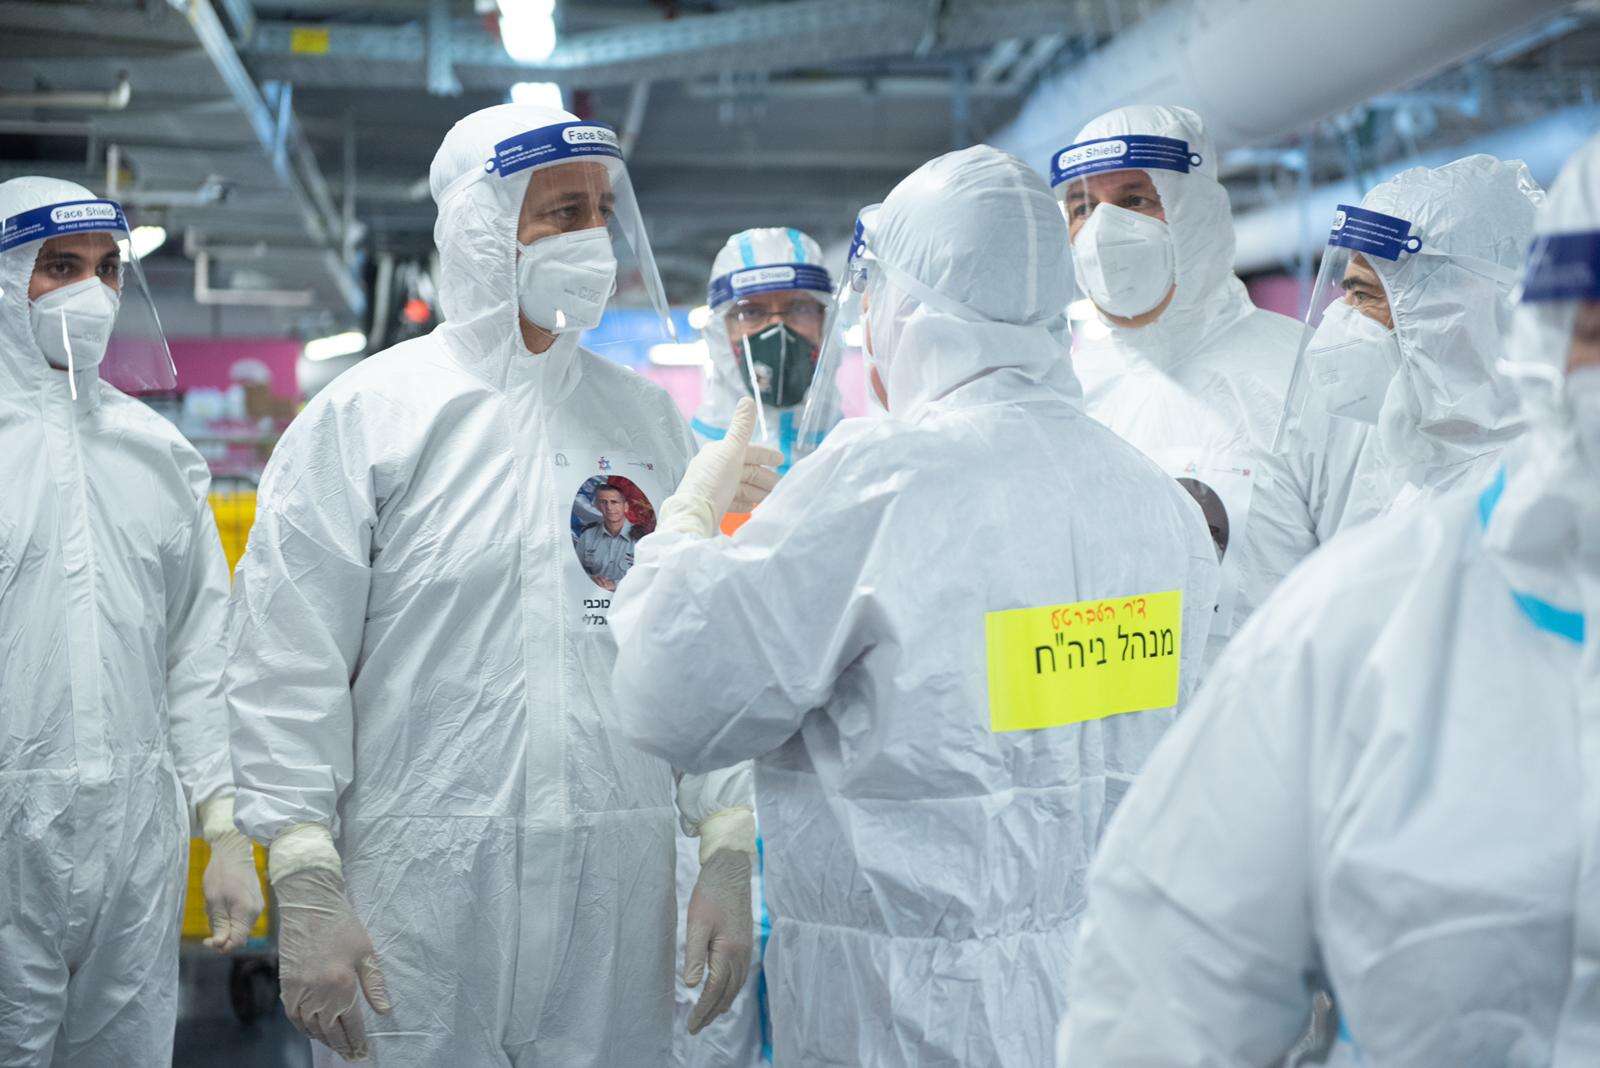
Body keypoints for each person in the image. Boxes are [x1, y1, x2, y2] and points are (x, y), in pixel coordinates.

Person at [609, 144, 1221, 1068]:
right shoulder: (1155, 502)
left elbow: (669, 691)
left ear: (910, 304)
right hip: (1106, 1005)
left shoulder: (881, 482)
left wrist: (685, 525)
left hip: (909, 1020)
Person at [224, 103, 777, 1066]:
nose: (592, 239)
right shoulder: (370, 419)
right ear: (484, 230)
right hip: (419, 904)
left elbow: (690, 649)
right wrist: (304, 866)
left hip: (614, 901)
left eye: (601, 212)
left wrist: (728, 835)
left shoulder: (645, 422)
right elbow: (287, 659)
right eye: (561, 214)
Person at [1055, 133, 1600, 1067]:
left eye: (1373, 297)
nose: (1348, 324)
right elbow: (1177, 964)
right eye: (1585, 327)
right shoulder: (1367, 610)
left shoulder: (1284, 395)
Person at [0, 177, 261, 1065]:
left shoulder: (159, 458)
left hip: (135, 848)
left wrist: (225, 826)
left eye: (107, 269)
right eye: (59, 267)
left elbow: (200, 657)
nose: (90, 292)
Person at [1053, 104, 1369, 673]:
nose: (1102, 231)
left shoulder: (1308, 375)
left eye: (1133, 200)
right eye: (1082, 208)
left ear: (1193, 210)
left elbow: (1375, 584)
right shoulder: (1066, 393)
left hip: (1268, 721)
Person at [1285, 155, 1543, 530]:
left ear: (1451, 310)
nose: (1340, 318)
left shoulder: (1540, 489)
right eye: (1345, 294)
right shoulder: (1419, 468)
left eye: (1363, 295)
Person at [692, 228, 838, 473]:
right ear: (719, 331)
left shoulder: (856, 457)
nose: (778, 327)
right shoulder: (688, 455)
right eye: (751, 312)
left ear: (826, 322)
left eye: (800, 308)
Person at [576, 481, 636, 590]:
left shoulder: (642, 538)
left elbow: (649, 576)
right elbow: (574, 571)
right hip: (593, 597)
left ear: (626, 506)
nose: (609, 507)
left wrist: (615, 585)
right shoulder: (587, 536)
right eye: (604, 502)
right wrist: (590, 579)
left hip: (630, 598)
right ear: (597, 506)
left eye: (614, 502)